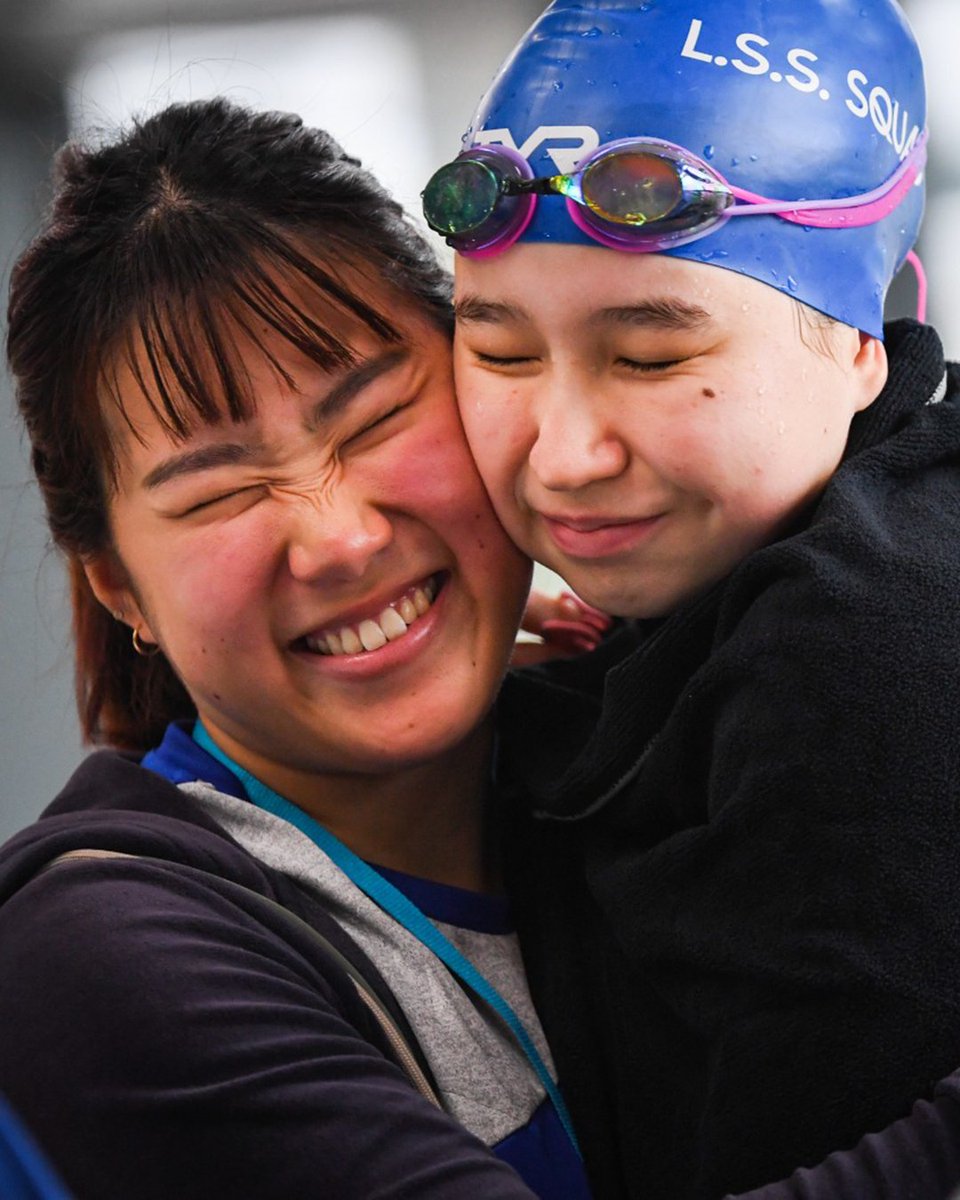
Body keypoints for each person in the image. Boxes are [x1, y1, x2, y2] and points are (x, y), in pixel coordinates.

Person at [0, 97, 596, 1200]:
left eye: (372, 420)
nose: (339, 537)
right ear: (118, 584)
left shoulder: (639, 750)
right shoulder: (105, 956)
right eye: (222, 492)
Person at [422, 1, 960, 1197]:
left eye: (653, 358)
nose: (563, 456)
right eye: (499, 352)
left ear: (865, 338)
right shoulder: (693, 616)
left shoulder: (867, 649)